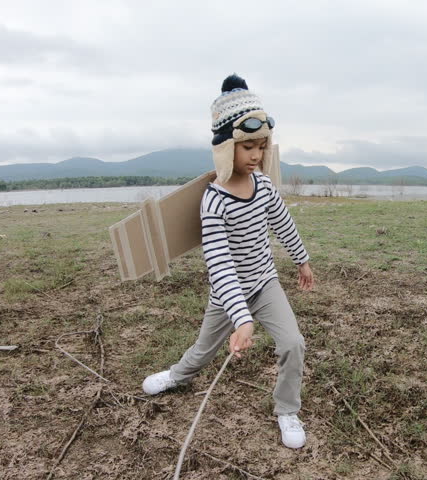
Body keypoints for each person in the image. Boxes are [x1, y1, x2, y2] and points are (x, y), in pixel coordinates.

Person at [142, 74, 315, 448]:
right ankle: (177, 375)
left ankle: (287, 410)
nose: (256, 155)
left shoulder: (265, 186)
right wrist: (242, 319)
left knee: (293, 343)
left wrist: (301, 260)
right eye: (247, 146)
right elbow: (219, 266)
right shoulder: (214, 201)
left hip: (265, 283)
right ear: (226, 148)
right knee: (203, 351)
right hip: (227, 294)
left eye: (261, 146)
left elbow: (283, 223)